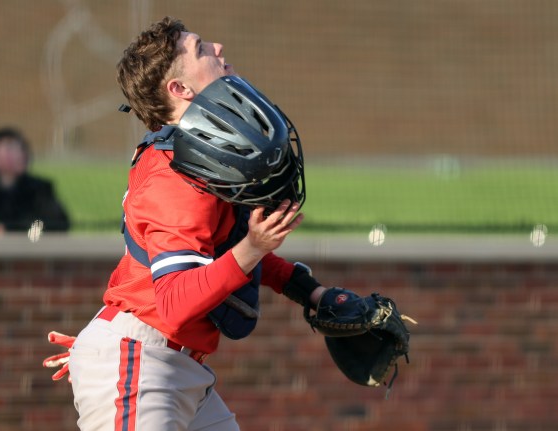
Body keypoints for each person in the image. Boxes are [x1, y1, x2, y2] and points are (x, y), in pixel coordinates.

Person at [46, 17, 405, 431]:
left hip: (165, 366)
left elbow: (220, 247)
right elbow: (178, 302)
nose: (217, 47)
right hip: (141, 363)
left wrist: (307, 290)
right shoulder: (174, 178)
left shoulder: (196, 157)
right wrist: (253, 247)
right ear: (179, 90)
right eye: (199, 49)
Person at [0, 128, 70, 234]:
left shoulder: (40, 192)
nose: (19, 153)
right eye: (9, 148)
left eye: (21, 148)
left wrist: (31, 235)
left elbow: (56, 223)